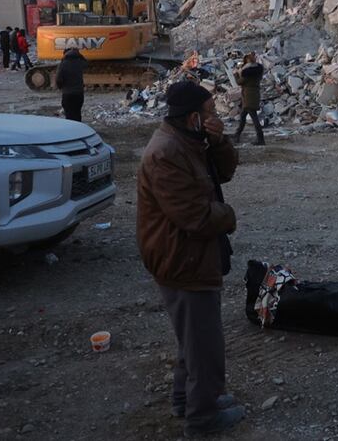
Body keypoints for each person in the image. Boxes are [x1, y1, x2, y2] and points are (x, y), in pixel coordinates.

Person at [136, 81, 245, 437]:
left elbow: (225, 172)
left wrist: (218, 141)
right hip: (181, 256)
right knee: (204, 344)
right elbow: (194, 217)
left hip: (190, 254)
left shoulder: (189, 142)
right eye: (211, 113)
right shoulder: (167, 153)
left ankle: (188, 399)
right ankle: (203, 417)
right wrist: (228, 216)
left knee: (192, 338)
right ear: (194, 117)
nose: (215, 117)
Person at [233, 53, 265, 145]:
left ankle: (261, 139)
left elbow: (239, 82)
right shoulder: (258, 71)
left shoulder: (247, 73)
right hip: (253, 95)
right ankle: (237, 135)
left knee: (254, 118)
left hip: (248, 97)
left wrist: (236, 74)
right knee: (243, 117)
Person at [55, 47, 87, 121]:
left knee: (69, 115)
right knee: (77, 113)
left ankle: (71, 130)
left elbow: (58, 79)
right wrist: (79, 55)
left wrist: (61, 87)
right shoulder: (80, 63)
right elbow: (86, 63)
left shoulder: (63, 64)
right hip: (79, 93)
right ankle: (79, 129)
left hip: (68, 94)